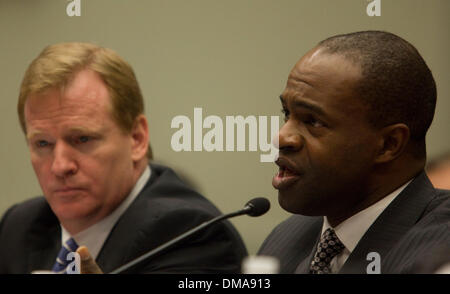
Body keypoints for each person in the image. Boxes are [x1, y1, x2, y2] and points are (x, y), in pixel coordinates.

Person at [0, 42, 247, 274]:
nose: (60, 166)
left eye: (82, 139)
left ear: (137, 138)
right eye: (42, 143)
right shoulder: (19, 228)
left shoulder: (190, 236)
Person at [258, 31, 450, 274]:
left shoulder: (439, 254)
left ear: (388, 144)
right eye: (287, 113)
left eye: (313, 121)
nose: (281, 137)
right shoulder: (287, 239)